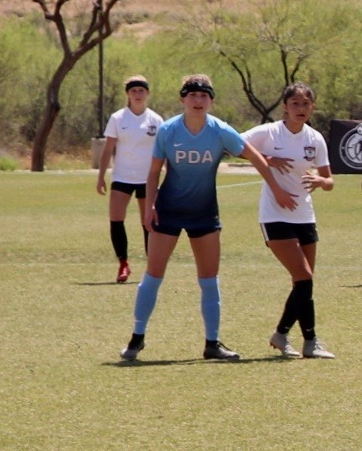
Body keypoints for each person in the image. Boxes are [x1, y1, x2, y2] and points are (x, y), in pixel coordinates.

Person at [119, 73, 284, 364]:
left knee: (209, 280)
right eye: (192, 95)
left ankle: (212, 343)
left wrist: (278, 189)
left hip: (204, 212)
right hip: (168, 210)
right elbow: (154, 171)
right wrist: (149, 208)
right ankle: (136, 338)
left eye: (204, 96)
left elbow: (255, 156)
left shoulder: (219, 130)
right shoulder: (168, 130)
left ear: (211, 101)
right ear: (183, 99)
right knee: (153, 276)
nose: (198, 100)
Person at [243, 83, 335, 359]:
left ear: (312, 107)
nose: (301, 109)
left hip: (305, 215)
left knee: (303, 282)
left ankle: (281, 335)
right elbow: (234, 144)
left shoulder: (315, 139)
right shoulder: (269, 132)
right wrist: (268, 158)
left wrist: (321, 180)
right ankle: (311, 341)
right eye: (295, 103)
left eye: (306, 104)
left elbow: (329, 181)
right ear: (285, 106)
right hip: (274, 215)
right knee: (303, 277)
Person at [96, 76, 163, 283]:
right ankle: (123, 264)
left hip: (148, 178)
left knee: (148, 223)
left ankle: (151, 267)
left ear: (147, 94)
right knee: (116, 219)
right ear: (128, 94)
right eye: (133, 91)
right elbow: (109, 148)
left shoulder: (156, 120)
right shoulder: (118, 118)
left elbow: (163, 150)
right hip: (122, 177)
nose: (137, 94)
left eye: (141, 91)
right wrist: (101, 176)